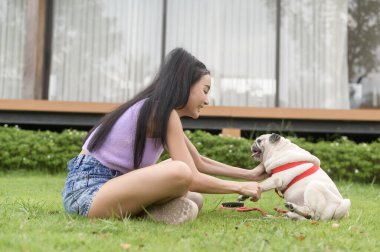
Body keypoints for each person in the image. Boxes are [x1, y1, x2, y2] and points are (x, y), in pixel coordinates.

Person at [62, 48, 263, 224]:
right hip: (87, 194)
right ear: (186, 85)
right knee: (180, 173)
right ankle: (145, 213)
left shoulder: (160, 110)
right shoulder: (160, 111)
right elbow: (190, 176)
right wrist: (240, 187)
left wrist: (251, 175)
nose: (207, 100)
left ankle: (149, 215)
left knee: (194, 198)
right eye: (205, 90)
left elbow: (198, 162)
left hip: (111, 188)